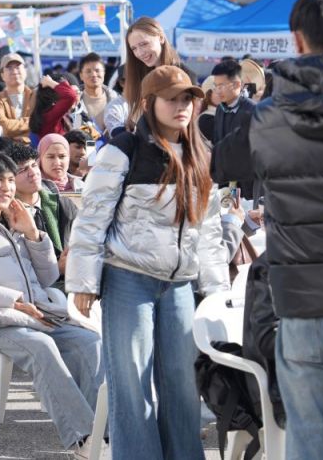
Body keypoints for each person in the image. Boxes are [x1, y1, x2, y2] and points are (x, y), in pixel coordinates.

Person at [223, 0, 323, 459]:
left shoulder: (262, 119)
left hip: (299, 307)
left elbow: (222, 163)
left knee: (311, 448)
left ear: (296, 40)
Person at [66, 65, 231, 460]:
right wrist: (84, 283)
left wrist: (215, 291)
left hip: (181, 284)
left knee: (183, 387)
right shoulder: (123, 149)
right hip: (128, 278)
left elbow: (208, 231)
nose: (182, 106)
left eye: (188, 98)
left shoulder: (202, 153)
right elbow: (92, 218)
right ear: (149, 103)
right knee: (131, 385)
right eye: (172, 99)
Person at [0, 152, 103, 459]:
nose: (7, 187)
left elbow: (47, 277)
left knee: (89, 342)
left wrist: (33, 234)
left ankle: (104, 432)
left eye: (11, 180)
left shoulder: (13, 214)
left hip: (35, 312)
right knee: (42, 347)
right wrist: (13, 301)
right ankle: (84, 440)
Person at [4, 141, 78, 289]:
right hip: (37, 290)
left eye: (34, 165)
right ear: (9, 179)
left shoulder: (64, 205)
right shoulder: (8, 215)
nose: (33, 173)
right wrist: (57, 268)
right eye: (22, 170)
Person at [109, 17, 184, 135]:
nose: (140, 53)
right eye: (134, 48)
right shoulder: (141, 76)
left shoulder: (182, 76)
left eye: (144, 44)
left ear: (161, 38)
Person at [209, 58, 256, 199]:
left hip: (247, 187)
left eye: (221, 86)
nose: (217, 91)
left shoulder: (253, 111)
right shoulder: (220, 109)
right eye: (215, 86)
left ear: (237, 84)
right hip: (224, 184)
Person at [0, 53, 34, 143]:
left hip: (33, 147)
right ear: (2, 75)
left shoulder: (35, 96)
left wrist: (12, 127)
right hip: (9, 148)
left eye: (18, 67)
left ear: (25, 71)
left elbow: (40, 122)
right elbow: (4, 126)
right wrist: (29, 122)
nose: (14, 71)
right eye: (9, 68)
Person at [28, 75, 80, 145]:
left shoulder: (58, 115)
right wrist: (49, 82)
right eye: (64, 88)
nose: (68, 89)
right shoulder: (49, 116)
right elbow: (70, 96)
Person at [78, 53, 118, 136]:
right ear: (81, 75)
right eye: (88, 71)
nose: (93, 74)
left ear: (104, 73)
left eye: (97, 70)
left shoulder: (117, 100)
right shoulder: (75, 102)